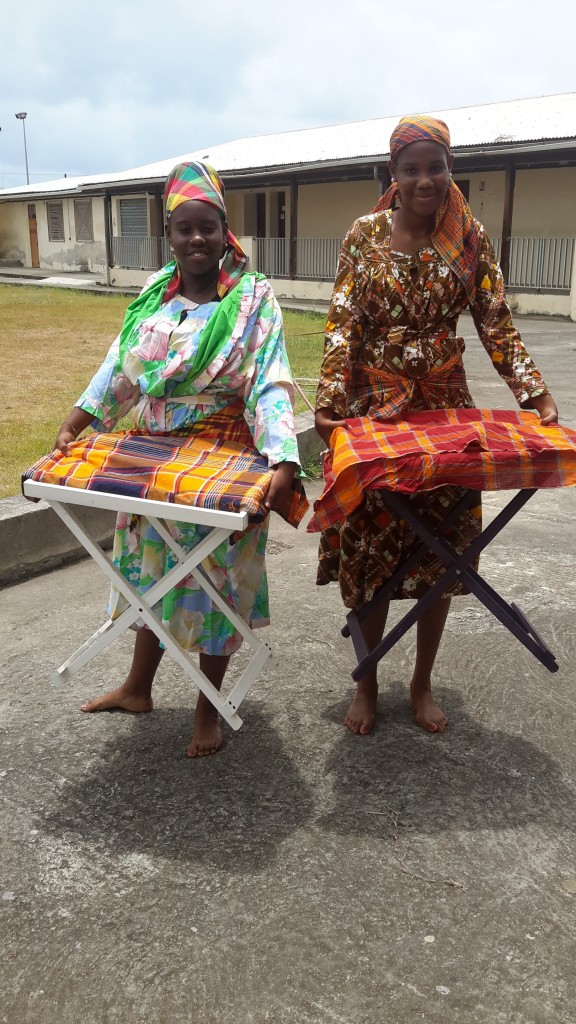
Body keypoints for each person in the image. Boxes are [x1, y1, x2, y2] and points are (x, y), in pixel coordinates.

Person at [314, 115, 558, 737]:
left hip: (445, 405)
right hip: (374, 404)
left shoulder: (469, 240)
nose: (425, 179)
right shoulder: (364, 236)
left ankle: (421, 683)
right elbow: (343, 322)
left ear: (451, 170)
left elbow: (495, 323)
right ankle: (367, 681)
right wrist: (329, 401)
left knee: (443, 552)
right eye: (411, 169)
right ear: (392, 174)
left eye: (436, 167)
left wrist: (535, 394)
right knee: (370, 548)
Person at [55, 161, 301, 758]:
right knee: (149, 570)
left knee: (216, 578)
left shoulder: (252, 298)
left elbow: (269, 380)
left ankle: (206, 708)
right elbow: (120, 368)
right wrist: (78, 421)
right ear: (168, 234)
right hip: (153, 453)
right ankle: (138, 687)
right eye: (184, 228)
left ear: (224, 230)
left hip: (223, 453)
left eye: (207, 227)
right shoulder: (152, 297)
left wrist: (284, 459)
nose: (196, 239)